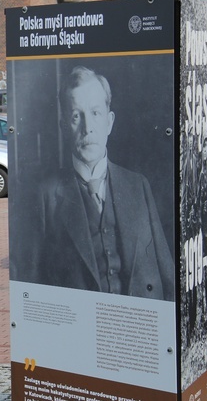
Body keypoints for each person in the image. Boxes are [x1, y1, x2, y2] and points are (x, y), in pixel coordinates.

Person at [29, 65, 174, 300]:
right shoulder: (46, 196)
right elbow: (34, 282)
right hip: (82, 326)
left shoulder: (138, 186)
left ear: (109, 122)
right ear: (64, 126)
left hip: (142, 325)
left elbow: (166, 271)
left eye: (95, 113)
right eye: (77, 116)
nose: (88, 128)